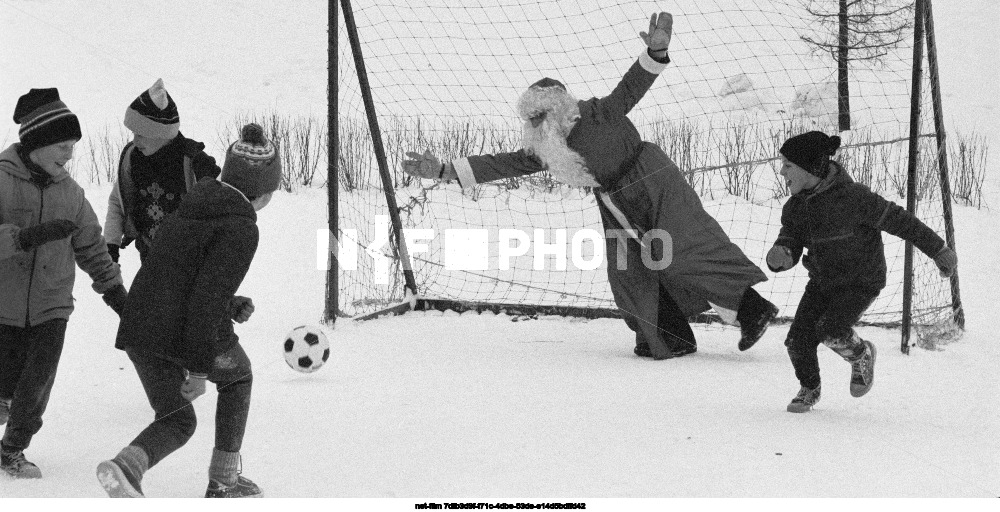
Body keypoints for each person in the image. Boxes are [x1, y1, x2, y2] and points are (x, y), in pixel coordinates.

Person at [403, 13, 778, 360]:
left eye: (537, 115)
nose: (532, 124)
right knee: (629, 270)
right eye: (529, 118)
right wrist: (443, 170)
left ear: (557, 108)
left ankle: (753, 310)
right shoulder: (547, 149)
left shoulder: (599, 112)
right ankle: (670, 336)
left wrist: (655, 52)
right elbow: (503, 163)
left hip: (652, 181)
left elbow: (631, 87)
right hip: (616, 203)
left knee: (685, 248)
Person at [96, 123, 281, 498]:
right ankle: (224, 481)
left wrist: (229, 301)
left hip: (141, 330)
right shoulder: (242, 227)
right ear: (261, 193)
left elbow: (180, 275)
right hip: (179, 331)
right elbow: (205, 301)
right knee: (238, 376)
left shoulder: (192, 205)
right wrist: (198, 369)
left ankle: (127, 467)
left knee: (178, 420)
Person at [767, 131, 958, 413]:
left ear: (809, 168)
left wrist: (938, 250)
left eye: (788, 165)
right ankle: (809, 387)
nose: (782, 171)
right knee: (797, 340)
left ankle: (862, 355)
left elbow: (902, 222)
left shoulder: (854, 198)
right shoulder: (796, 207)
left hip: (860, 281)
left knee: (831, 330)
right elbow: (792, 237)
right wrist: (783, 252)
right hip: (823, 281)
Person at [0, 88, 126, 478]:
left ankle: (12, 449)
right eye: (63, 145)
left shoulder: (71, 194)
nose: (70, 153)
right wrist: (24, 237)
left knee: (36, 386)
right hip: (3, 305)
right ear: (35, 143)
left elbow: (90, 245)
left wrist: (116, 293)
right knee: (5, 387)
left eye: (73, 146)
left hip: (52, 305)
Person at [105, 78, 221, 266]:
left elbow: (221, 214)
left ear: (162, 134)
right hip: (149, 253)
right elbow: (118, 202)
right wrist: (111, 245)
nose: (135, 141)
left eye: (141, 134)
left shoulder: (192, 161)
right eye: (133, 134)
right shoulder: (133, 158)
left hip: (189, 260)